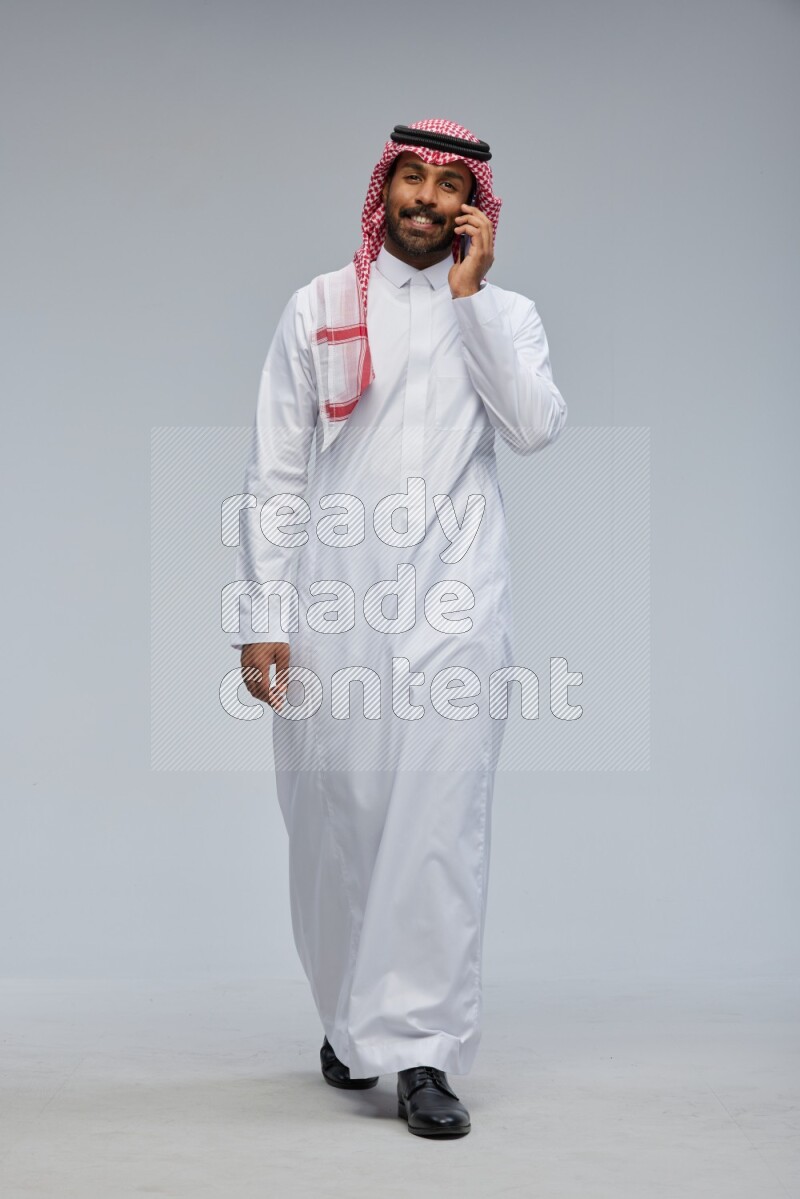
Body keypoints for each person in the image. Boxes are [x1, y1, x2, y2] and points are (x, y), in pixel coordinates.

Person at [230, 118, 567, 1138]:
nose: (423, 197)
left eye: (445, 183)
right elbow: (276, 470)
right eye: (409, 178)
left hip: (457, 600)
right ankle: (348, 1014)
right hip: (337, 598)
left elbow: (532, 424)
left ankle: (420, 1050)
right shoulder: (321, 305)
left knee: (437, 829)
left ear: (473, 203)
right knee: (336, 820)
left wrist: (469, 301)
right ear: (384, 188)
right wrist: (263, 614)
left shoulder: (504, 313)